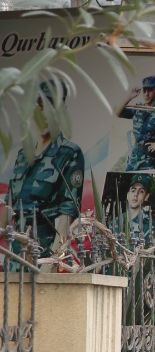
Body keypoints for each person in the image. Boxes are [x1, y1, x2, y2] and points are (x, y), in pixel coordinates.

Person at [4, 80, 86, 260]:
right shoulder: (23, 155)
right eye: (41, 107)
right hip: (15, 253)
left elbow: (68, 213)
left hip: (43, 251)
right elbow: (9, 205)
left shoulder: (69, 154)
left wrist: (53, 260)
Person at [107, 173, 155, 247]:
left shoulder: (149, 226)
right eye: (133, 190)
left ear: (146, 197)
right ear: (128, 194)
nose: (136, 194)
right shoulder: (116, 221)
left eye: (141, 191)